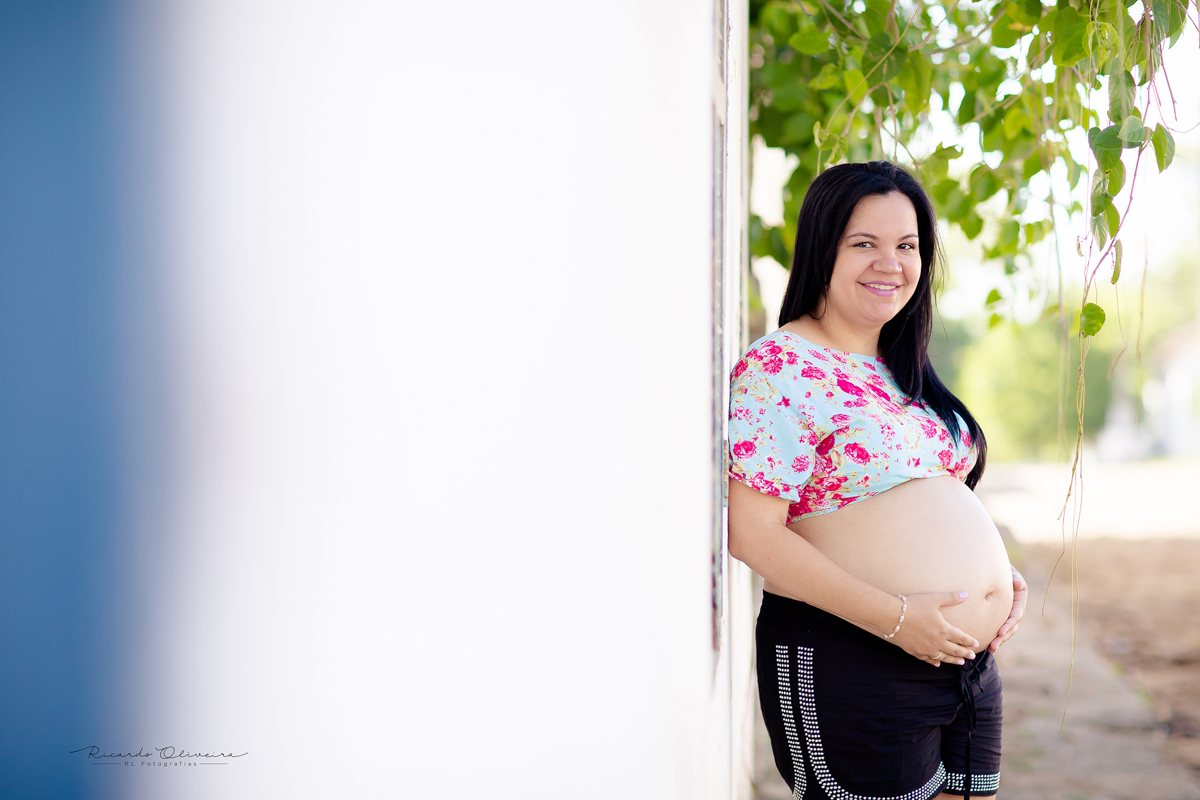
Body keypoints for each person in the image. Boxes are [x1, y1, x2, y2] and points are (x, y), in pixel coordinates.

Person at [727, 161, 1028, 800]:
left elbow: (919, 504)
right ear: (821, 248)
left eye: (907, 246)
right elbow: (751, 534)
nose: (889, 263)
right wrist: (896, 617)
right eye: (863, 243)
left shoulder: (904, 370)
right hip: (852, 653)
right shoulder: (780, 365)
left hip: (963, 668)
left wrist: (996, 583)